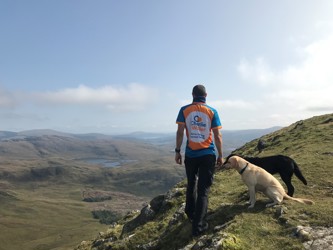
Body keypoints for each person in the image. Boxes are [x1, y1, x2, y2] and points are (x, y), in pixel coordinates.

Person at [175, 84, 223, 237]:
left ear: (192, 94)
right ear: (206, 95)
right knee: (203, 190)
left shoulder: (184, 110)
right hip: (208, 154)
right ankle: (199, 227)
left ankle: (190, 213)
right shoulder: (212, 111)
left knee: (191, 184)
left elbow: (180, 132)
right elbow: (217, 136)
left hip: (191, 154)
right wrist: (220, 155)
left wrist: (177, 151)